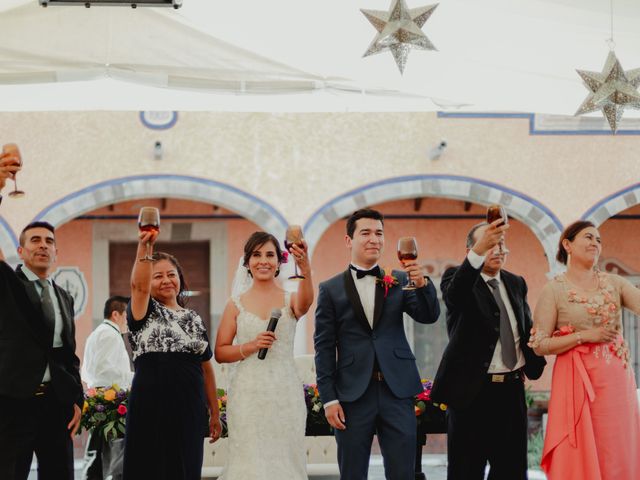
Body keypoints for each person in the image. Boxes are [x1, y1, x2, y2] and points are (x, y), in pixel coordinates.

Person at [314, 208, 440, 480]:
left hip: (397, 391)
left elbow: (429, 316)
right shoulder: (330, 289)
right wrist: (329, 399)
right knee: (352, 473)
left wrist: (422, 284)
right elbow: (323, 348)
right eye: (366, 233)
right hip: (351, 395)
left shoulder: (400, 280)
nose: (374, 239)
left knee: (402, 473)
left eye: (379, 233)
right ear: (349, 240)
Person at [431, 220, 546, 480]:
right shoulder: (456, 278)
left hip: (511, 391)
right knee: (466, 470)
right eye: (488, 244)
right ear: (472, 249)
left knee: (512, 471)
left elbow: (523, 328)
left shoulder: (516, 283)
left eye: (500, 244)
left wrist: (540, 344)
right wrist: (477, 254)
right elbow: (454, 297)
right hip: (471, 393)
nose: (496, 249)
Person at [529, 220, 640, 480]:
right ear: (567, 244)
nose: (595, 243)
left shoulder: (615, 283)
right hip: (576, 383)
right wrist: (584, 336)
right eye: (588, 237)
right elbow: (539, 345)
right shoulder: (554, 290)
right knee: (579, 448)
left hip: (615, 383)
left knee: (617, 447)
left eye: (599, 240)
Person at [0, 156, 83, 480]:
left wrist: (76, 399)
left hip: (56, 407)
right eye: (35, 240)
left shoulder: (64, 297)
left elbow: (67, 355)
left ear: (57, 253)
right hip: (12, 403)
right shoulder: (8, 285)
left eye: (49, 241)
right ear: (20, 251)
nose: (43, 246)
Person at [214, 231, 313, 479]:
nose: (263, 261)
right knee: (248, 460)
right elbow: (220, 351)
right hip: (247, 393)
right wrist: (250, 346)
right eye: (256, 255)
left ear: (280, 261)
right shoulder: (234, 304)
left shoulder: (290, 300)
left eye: (270, 255)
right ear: (247, 262)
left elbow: (306, 304)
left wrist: (306, 269)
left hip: (284, 391)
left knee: (285, 459)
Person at [124, 230, 221, 480]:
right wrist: (144, 247)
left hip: (189, 405)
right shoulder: (142, 310)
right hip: (150, 402)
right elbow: (139, 285)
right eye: (158, 276)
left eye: (171, 274)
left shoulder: (194, 318)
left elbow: (207, 368)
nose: (166, 280)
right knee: (149, 467)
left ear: (180, 278)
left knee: (186, 468)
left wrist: (214, 411)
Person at [81, 295, 134, 480]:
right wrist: (138, 379)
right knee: (111, 460)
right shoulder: (109, 334)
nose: (129, 320)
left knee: (101, 456)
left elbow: (86, 372)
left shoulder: (98, 333)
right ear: (116, 314)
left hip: (101, 400)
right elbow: (106, 372)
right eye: (127, 315)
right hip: (110, 403)